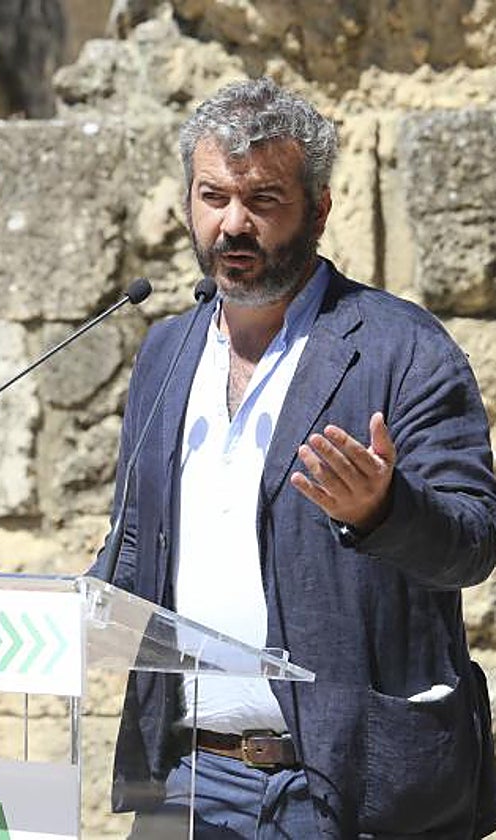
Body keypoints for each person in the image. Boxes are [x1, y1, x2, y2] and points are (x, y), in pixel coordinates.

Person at [94, 77, 496, 838]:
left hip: (345, 786)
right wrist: (63, 611)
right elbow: (138, 542)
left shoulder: (400, 349)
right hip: (188, 779)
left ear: (319, 209)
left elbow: (474, 542)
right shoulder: (166, 353)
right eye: (212, 197)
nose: (231, 225)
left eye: (263, 201)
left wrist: (384, 512)